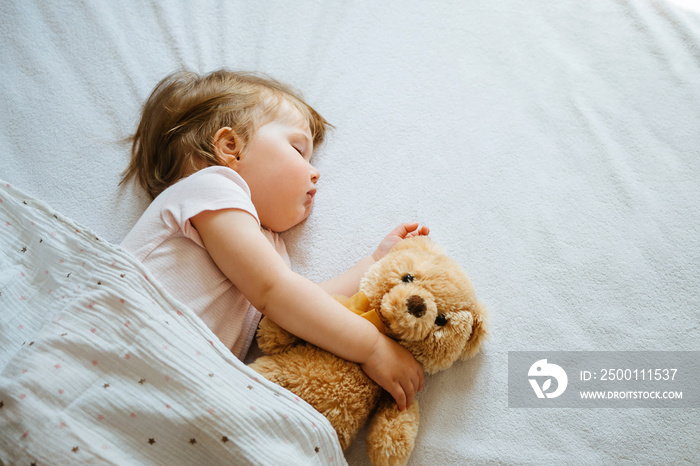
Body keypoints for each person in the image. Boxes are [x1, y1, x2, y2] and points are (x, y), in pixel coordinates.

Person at [120, 69, 429, 411]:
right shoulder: (211, 188)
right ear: (230, 148)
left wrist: (372, 266)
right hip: (126, 349)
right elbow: (277, 294)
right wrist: (372, 347)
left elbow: (296, 311)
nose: (316, 172)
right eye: (298, 151)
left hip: (171, 392)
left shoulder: (268, 249)